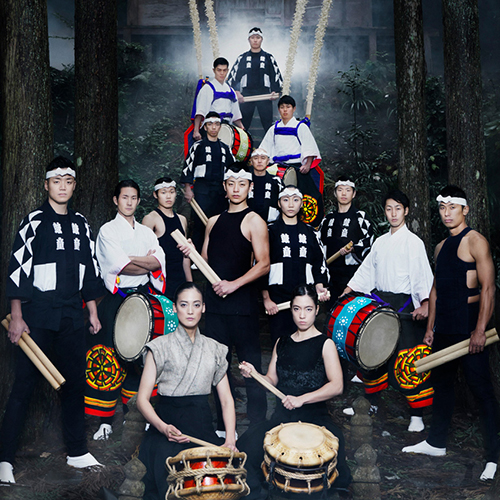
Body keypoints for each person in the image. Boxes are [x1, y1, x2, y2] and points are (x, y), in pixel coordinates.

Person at [0, 157, 105, 484]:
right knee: (24, 386)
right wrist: (17, 316)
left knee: (75, 383)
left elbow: (90, 270)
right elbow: (18, 270)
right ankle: (4, 459)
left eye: (68, 181)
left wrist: (92, 311)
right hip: (38, 315)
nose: (62, 186)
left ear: (74, 186)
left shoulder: (82, 224)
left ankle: (76, 452)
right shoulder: (33, 221)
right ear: (46, 185)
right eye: (56, 180)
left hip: (72, 314)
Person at [402, 185, 500, 481]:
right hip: (444, 323)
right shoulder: (441, 247)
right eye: (442, 208)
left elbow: (488, 288)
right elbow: (435, 290)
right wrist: (430, 328)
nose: (446, 213)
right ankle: (436, 442)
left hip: (469, 323)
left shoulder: (475, 241)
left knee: (481, 390)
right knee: (441, 384)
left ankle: (493, 457)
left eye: (452, 208)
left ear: (465, 210)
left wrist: (480, 330)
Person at [238, 285, 352, 499]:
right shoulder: (282, 343)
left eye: (308, 309)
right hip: (282, 419)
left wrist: (302, 400)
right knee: (247, 450)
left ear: (316, 310)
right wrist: (253, 373)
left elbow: (337, 385)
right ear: (290, 310)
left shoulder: (325, 344)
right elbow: (271, 379)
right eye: (297, 309)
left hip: (315, 419)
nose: (302, 315)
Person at [179, 162, 270, 430]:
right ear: (224, 187)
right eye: (231, 184)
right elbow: (206, 262)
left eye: (242, 184)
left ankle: (257, 425)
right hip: (216, 308)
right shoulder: (213, 222)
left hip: (243, 307)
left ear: (249, 187)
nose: (236, 189)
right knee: (218, 368)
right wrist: (192, 253)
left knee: (250, 366)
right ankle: (221, 425)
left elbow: (263, 264)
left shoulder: (254, 220)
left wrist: (234, 284)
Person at [343, 190, 434, 432]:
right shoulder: (380, 242)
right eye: (389, 209)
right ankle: (370, 404)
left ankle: (417, 414)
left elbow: (421, 275)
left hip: (404, 306)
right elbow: (366, 271)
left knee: (409, 359)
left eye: (397, 208)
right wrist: (350, 288)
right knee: (372, 355)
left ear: (406, 211)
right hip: (379, 306)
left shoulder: (414, 242)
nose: (393, 213)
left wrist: (424, 303)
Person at [137, 282, 237, 500]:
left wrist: (230, 439)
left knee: (220, 484)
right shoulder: (159, 346)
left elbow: (227, 400)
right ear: (175, 308)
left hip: (201, 426)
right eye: (184, 305)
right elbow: (142, 399)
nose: (190, 311)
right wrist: (163, 428)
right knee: (171, 483)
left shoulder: (215, 348)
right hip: (167, 427)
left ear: (204, 308)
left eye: (196, 305)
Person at [84, 179, 166, 440]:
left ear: (139, 201)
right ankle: (105, 420)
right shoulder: (108, 231)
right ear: (115, 200)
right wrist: (144, 264)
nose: (129, 202)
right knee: (108, 357)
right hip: (117, 299)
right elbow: (118, 266)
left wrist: (131, 261)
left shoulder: (146, 232)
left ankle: (138, 415)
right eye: (124, 197)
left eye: (133, 198)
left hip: (145, 298)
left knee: (143, 358)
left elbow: (158, 263)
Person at [263, 186, 329, 345]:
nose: (291, 204)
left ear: (301, 204)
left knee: (304, 343)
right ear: (279, 203)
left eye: (295, 200)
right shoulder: (269, 231)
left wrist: (320, 286)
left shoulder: (310, 232)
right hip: (278, 300)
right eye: (286, 200)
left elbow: (319, 261)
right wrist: (266, 298)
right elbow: (261, 265)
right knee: (280, 344)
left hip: (304, 297)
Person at [260, 95, 324, 226]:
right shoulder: (274, 128)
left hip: (296, 167)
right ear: (278, 109)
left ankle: (306, 225)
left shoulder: (301, 127)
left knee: (309, 196)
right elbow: (264, 149)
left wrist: (307, 164)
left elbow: (309, 147)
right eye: (282, 107)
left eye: (288, 107)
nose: (285, 110)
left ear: (293, 109)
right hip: (276, 168)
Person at [180, 111, 235, 252]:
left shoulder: (225, 148)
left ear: (220, 127)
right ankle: (197, 258)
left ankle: (217, 255)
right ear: (205, 127)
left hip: (220, 192)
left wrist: (230, 191)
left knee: (219, 223)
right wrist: (188, 188)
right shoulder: (198, 146)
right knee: (199, 224)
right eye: (210, 124)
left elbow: (232, 171)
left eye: (217, 124)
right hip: (202, 190)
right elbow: (188, 167)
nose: (214, 127)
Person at [319, 176, 374, 300]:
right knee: (331, 311)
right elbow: (319, 244)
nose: (344, 193)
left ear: (354, 194)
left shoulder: (360, 217)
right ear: (335, 193)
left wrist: (354, 248)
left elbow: (369, 240)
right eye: (340, 190)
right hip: (330, 275)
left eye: (348, 190)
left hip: (352, 275)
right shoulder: (328, 219)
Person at [142, 177, 192, 300]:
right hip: (160, 280)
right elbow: (143, 255)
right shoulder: (150, 219)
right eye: (163, 192)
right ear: (156, 194)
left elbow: (185, 256)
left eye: (171, 191)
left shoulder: (182, 220)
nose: (168, 196)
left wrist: (190, 283)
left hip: (179, 278)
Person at [227, 27, 282, 132]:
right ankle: (242, 147)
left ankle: (270, 148)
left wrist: (275, 91)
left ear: (262, 39)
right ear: (249, 40)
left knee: (268, 126)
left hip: (265, 95)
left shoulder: (269, 57)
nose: (255, 40)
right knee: (243, 126)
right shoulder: (242, 58)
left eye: (258, 37)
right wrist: (237, 92)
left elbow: (275, 75)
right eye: (252, 37)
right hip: (246, 96)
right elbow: (234, 76)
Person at [192, 57, 244, 141]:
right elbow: (200, 112)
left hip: (228, 129)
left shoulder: (231, 90)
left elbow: (236, 115)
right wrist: (196, 131)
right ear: (214, 70)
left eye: (224, 70)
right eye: (219, 70)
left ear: (227, 71)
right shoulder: (207, 89)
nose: (222, 73)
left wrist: (242, 128)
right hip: (211, 127)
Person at [247, 147, 281, 223]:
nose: (259, 161)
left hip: (271, 224)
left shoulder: (276, 181)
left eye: (263, 158)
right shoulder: (245, 181)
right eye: (256, 158)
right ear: (251, 162)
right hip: (248, 222)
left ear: (268, 161)